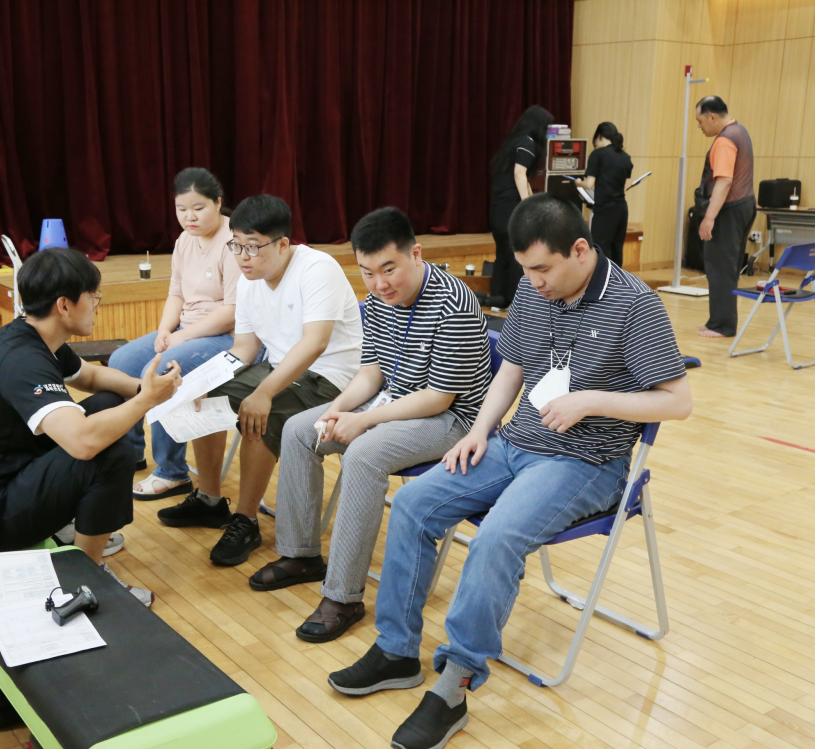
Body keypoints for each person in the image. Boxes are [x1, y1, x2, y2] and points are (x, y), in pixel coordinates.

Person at [328, 194, 692, 749]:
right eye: (525, 269)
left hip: (586, 460)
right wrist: (479, 430)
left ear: (580, 250)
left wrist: (590, 400)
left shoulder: (634, 305)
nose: (533, 281)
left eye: (543, 269)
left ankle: (454, 683)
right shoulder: (531, 287)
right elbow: (512, 369)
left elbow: (677, 401)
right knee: (413, 504)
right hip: (514, 442)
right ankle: (396, 651)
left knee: (496, 538)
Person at [249, 207, 492, 643]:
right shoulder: (378, 301)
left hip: (451, 419)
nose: (379, 283)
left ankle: (343, 596)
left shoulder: (454, 302)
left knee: (362, 455)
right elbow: (372, 371)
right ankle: (301, 555)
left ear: (416, 254)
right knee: (301, 430)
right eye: (367, 272)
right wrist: (337, 409)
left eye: (389, 269)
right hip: (393, 403)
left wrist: (362, 421)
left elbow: (439, 398)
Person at [0, 247, 182, 606]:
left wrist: (144, 389)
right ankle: (87, 576)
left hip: (7, 479)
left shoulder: (34, 335)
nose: (97, 304)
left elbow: (92, 376)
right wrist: (147, 400)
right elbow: (83, 443)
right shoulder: (24, 359)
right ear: (64, 306)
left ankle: (81, 528)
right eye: (93, 296)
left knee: (108, 403)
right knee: (111, 451)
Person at [157, 195, 363, 567]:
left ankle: (246, 520)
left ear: (282, 244)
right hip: (279, 368)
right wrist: (201, 381)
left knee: (259, 411)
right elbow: (245, 349)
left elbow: (314, 343)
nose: (243, 257)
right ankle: (210, 500)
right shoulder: (250, 280)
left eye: (253, 246)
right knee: (204, 397)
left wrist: (264, 392)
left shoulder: (318, 268)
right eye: (236, 245)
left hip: (332, 379)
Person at [108, 167, 240, 499]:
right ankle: (131, 452)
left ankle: (172, 472)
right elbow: (176, 293)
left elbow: (232, 311)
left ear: (218, 202)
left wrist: (182, 336)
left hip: (226, 336)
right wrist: (166, 329)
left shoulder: (233, 241)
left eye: (198, 208)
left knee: (161, 370)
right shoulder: (184, 240)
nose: (189, 217)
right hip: (187, 329)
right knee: (120, 361)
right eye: (182, 209)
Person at [693, 96, 756, 339]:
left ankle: (722, 326)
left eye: (700, 121)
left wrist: (709, 218)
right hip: (744, 206)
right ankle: (717, 321)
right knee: (727, 268)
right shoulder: (740, 130)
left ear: (712, 117)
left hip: (729, 211)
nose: (700, 127)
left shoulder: (724, 140)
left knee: (719, 268)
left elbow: (724, 181)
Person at [488, 105, 554, 310]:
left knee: (502, 254)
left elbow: (520, 178)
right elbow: (519, 174)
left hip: (498, 205)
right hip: (510, 207)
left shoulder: (514, 141)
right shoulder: (528, 143)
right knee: (517, 255)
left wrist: (529, 197)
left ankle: (498, 299)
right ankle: (515, 302)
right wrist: (528, 205)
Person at [575, 121, 633, 267]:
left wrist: (579, 183)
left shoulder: (598, 154)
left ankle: (602, 279)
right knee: (617, 248)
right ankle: (617, 280)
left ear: (599, 137)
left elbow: (589, 184)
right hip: (621, 209)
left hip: (605, 209)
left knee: (601, 248)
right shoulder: (625, 156)